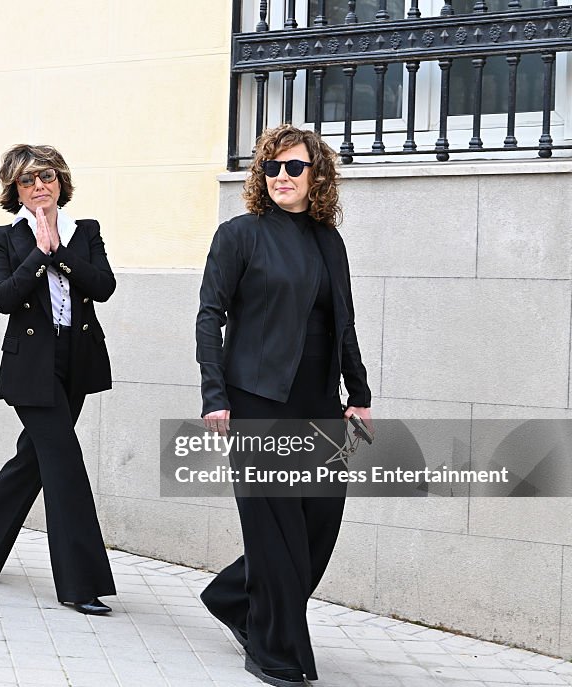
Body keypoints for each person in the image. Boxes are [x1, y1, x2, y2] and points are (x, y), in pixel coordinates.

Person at [195, 125, 372, 686]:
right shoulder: (239, 235)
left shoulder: (328, 240)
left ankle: (231, 596)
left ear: (316, 174)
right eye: (271, 168)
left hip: (319, 402)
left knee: (319, 526)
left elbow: (342, 323)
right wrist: (215, 396)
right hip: (255, 399)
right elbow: (210, 316)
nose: (281, 178)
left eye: (294, 167)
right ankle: (274, 649)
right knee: (277, 537)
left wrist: (358, 395)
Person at [0, 144, 117, 615]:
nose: (39, 186)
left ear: (61, 182)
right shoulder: (1, 237)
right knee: (64, 464)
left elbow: (103, 286)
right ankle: (81, 583)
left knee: (33, 461)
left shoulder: (85, 232)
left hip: (77, 361)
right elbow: (3, 297)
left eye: (47, 177)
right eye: (27, 181)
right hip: (30, 367)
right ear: (14, 191)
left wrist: (60, 253)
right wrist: (38, 255)